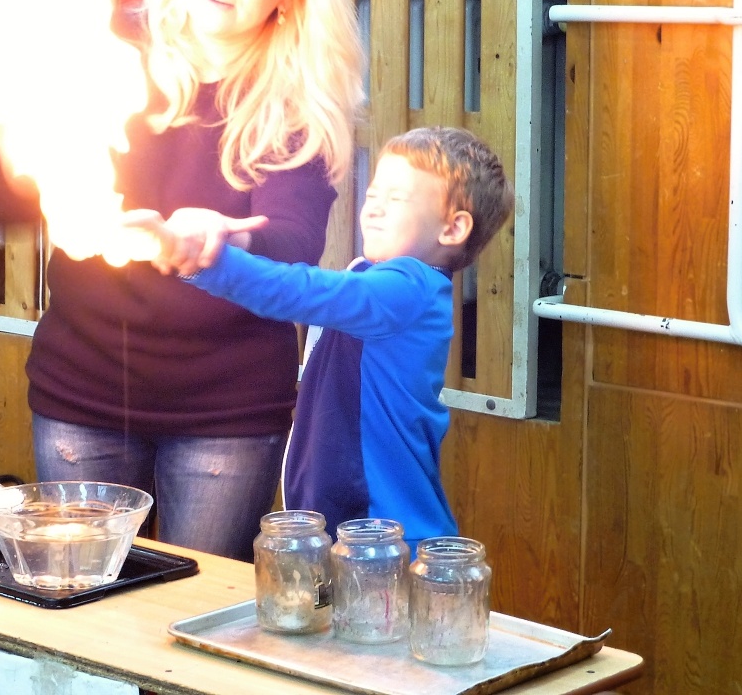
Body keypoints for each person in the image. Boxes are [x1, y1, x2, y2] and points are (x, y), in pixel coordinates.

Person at [0, 0, 364, 561]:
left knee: (190, 614)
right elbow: (4, 204)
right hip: (83, 392)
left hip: (225, 413)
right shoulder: (100, 46)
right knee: (83, 608)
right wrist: (13, 141)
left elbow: (294, 241)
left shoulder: (296, 100)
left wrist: (220, 243)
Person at [135, 126, 514, 546]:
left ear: (453, 228)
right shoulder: (385, 282)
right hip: (356, 531)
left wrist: (206, 260)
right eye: (373, 194)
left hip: (382, 537)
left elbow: (299, 291)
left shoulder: (407, 290)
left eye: (396, 199)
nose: (373, 209)